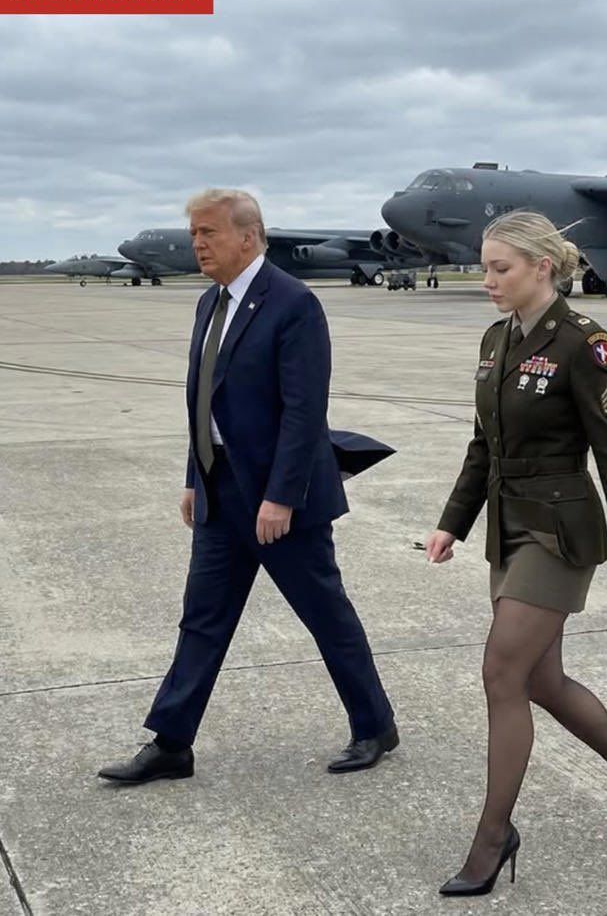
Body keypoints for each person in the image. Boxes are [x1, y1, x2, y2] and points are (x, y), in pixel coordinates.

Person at [99, 189, 397, 785]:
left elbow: (304, 411)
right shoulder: (210, 302)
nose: (198, 244)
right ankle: (172, 743)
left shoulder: (293, 303)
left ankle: (374, 725)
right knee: (202, 619)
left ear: (249, 236)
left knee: (325, 614)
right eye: (194, 234)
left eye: (208, 232)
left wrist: (280, 496)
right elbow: (203, 402)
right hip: (220, 490)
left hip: (279, 499)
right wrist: (194, 476)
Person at [425, 211, 607, 897]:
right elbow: (483, 445)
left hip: (560, 532)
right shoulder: (496, 338)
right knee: (541, 681)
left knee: (501, 673)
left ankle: (493, 837)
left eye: (500, 268)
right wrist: (452, 522)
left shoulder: (582, 342)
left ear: (542, 267)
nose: (487, 281)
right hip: (508, 528)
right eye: (484, 267)